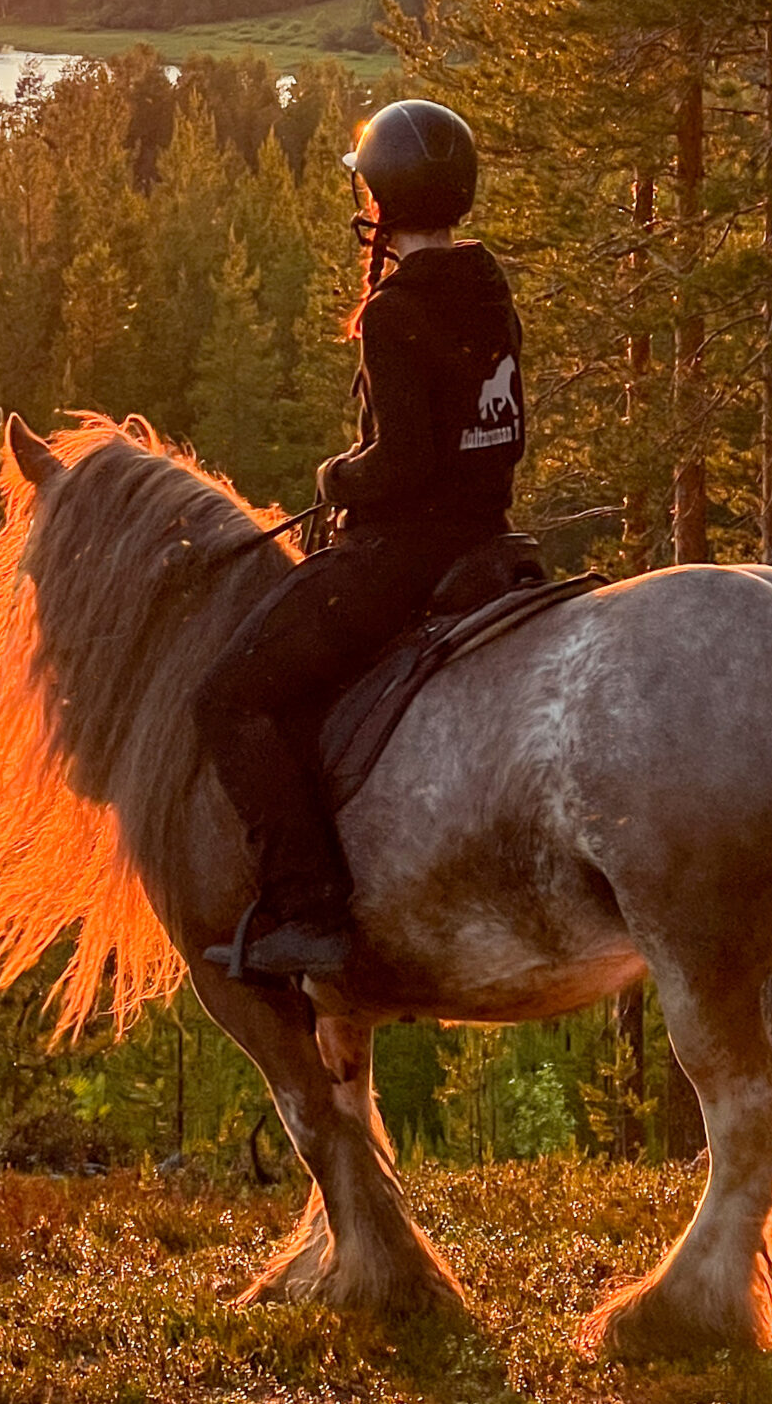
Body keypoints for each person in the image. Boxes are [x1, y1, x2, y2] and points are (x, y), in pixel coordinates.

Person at [198, 99, 526, 985]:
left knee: (229, 698)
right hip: (490, 538)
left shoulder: (394, 310)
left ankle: (308, 908)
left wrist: (338, 477)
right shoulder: (487, 286)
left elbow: (404, 462)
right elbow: (503, 432)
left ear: (384, 202)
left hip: (402, 558)